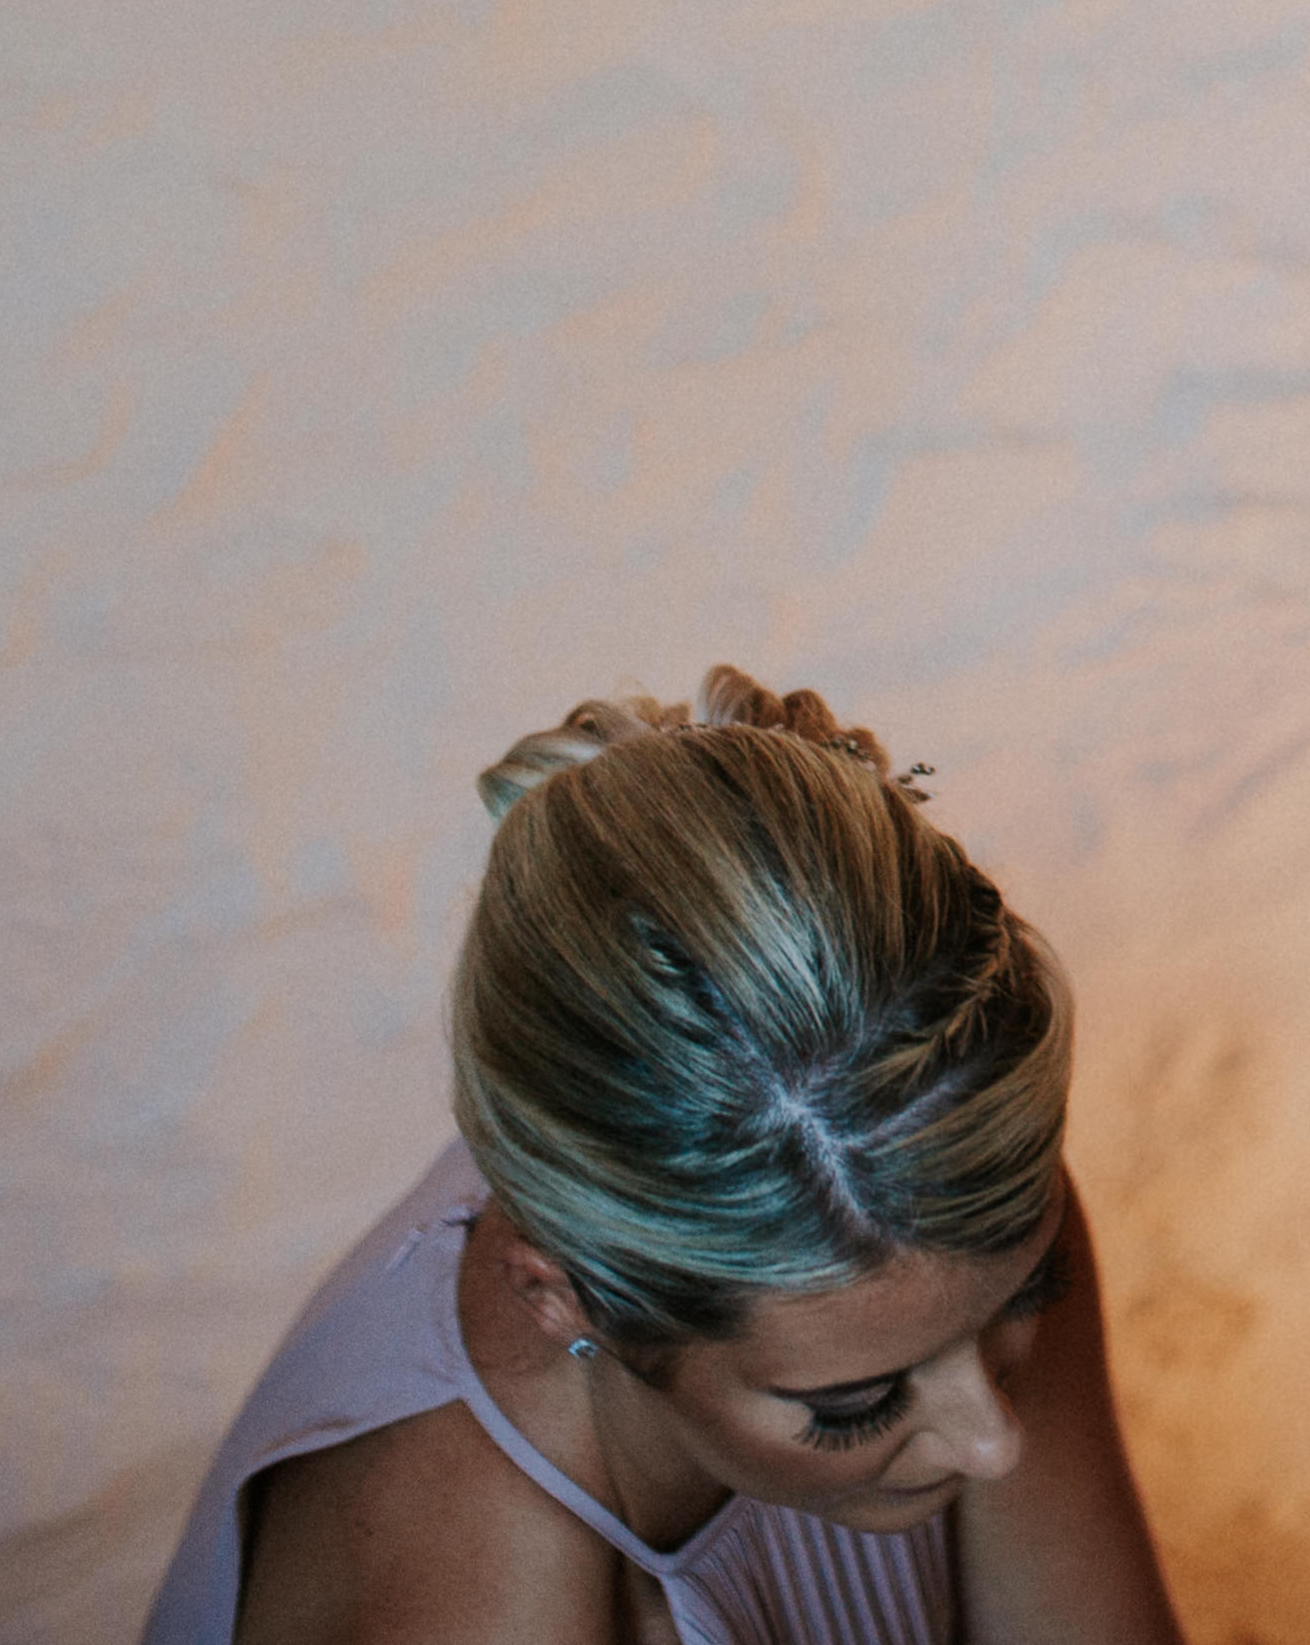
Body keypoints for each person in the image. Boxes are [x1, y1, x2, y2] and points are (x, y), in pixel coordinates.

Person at [144, 669, 1184, 1645]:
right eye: (853, 1406)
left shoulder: (934, 1205)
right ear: (567, 1298)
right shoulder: (463, 1582)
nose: (990, 1436)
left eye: (1026, 1295)